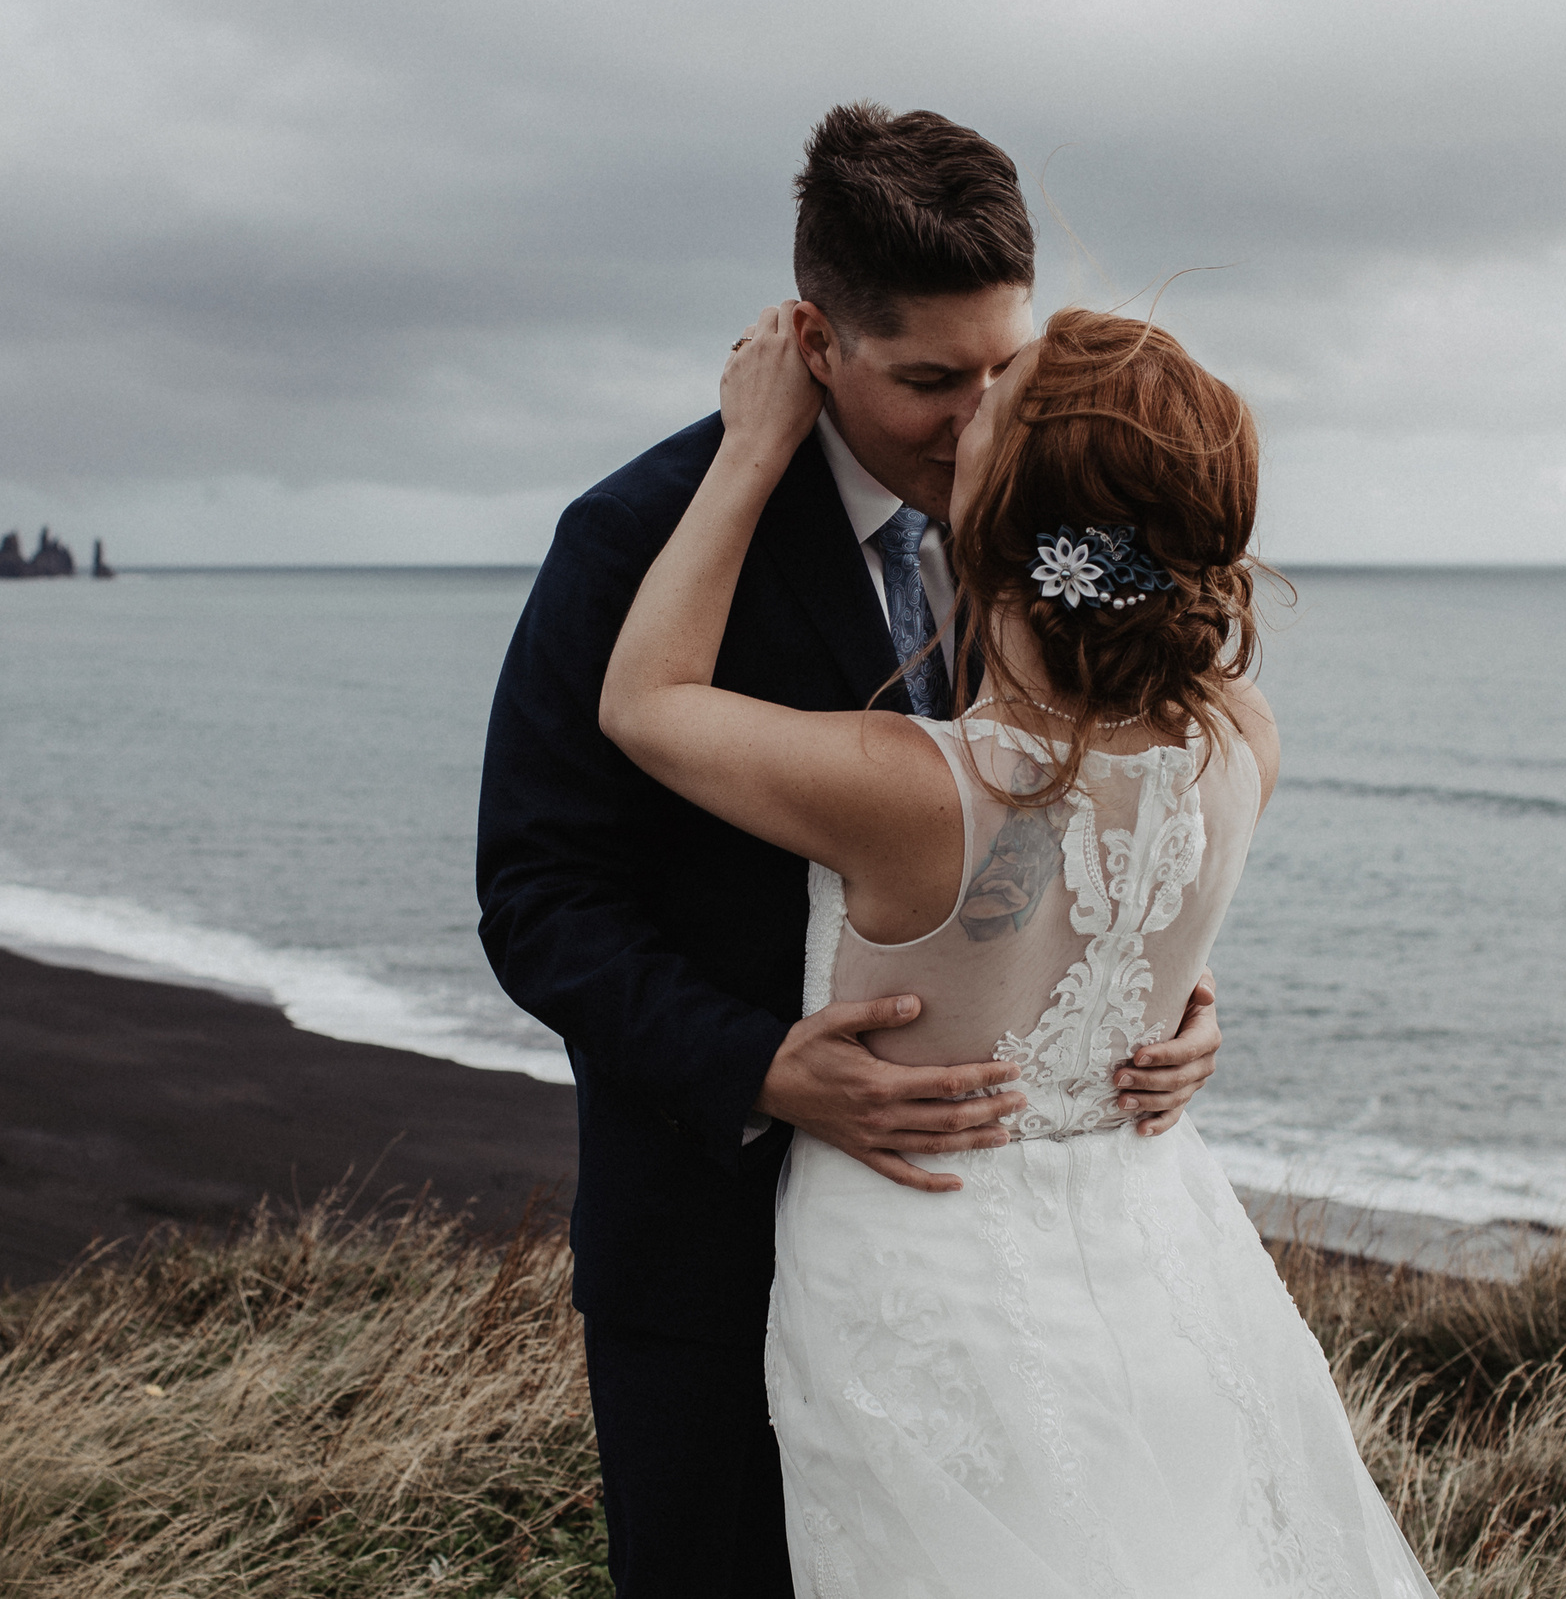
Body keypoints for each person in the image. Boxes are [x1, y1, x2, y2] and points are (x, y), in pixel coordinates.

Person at [476, 104, 1231, 1598]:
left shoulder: (1054, 521)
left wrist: (1160, 994)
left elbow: (1104, 802)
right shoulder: (634, 537)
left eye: (1003, 369)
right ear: (816, 342)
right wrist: (762, 1067)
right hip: (712, 1239)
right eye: (930, 381)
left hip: (994, 1278)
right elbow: (538, 897)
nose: (977, 422)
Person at [597, 300, 1438, 1597]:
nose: (967, 406)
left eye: (995, 400)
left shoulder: (911, 790)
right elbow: (1113, 906)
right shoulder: (1242, 742)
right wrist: (1183, 1008)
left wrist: (750, 450)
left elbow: (646, 702)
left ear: (998, 514)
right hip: (1156, 1245)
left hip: (921, 1271)